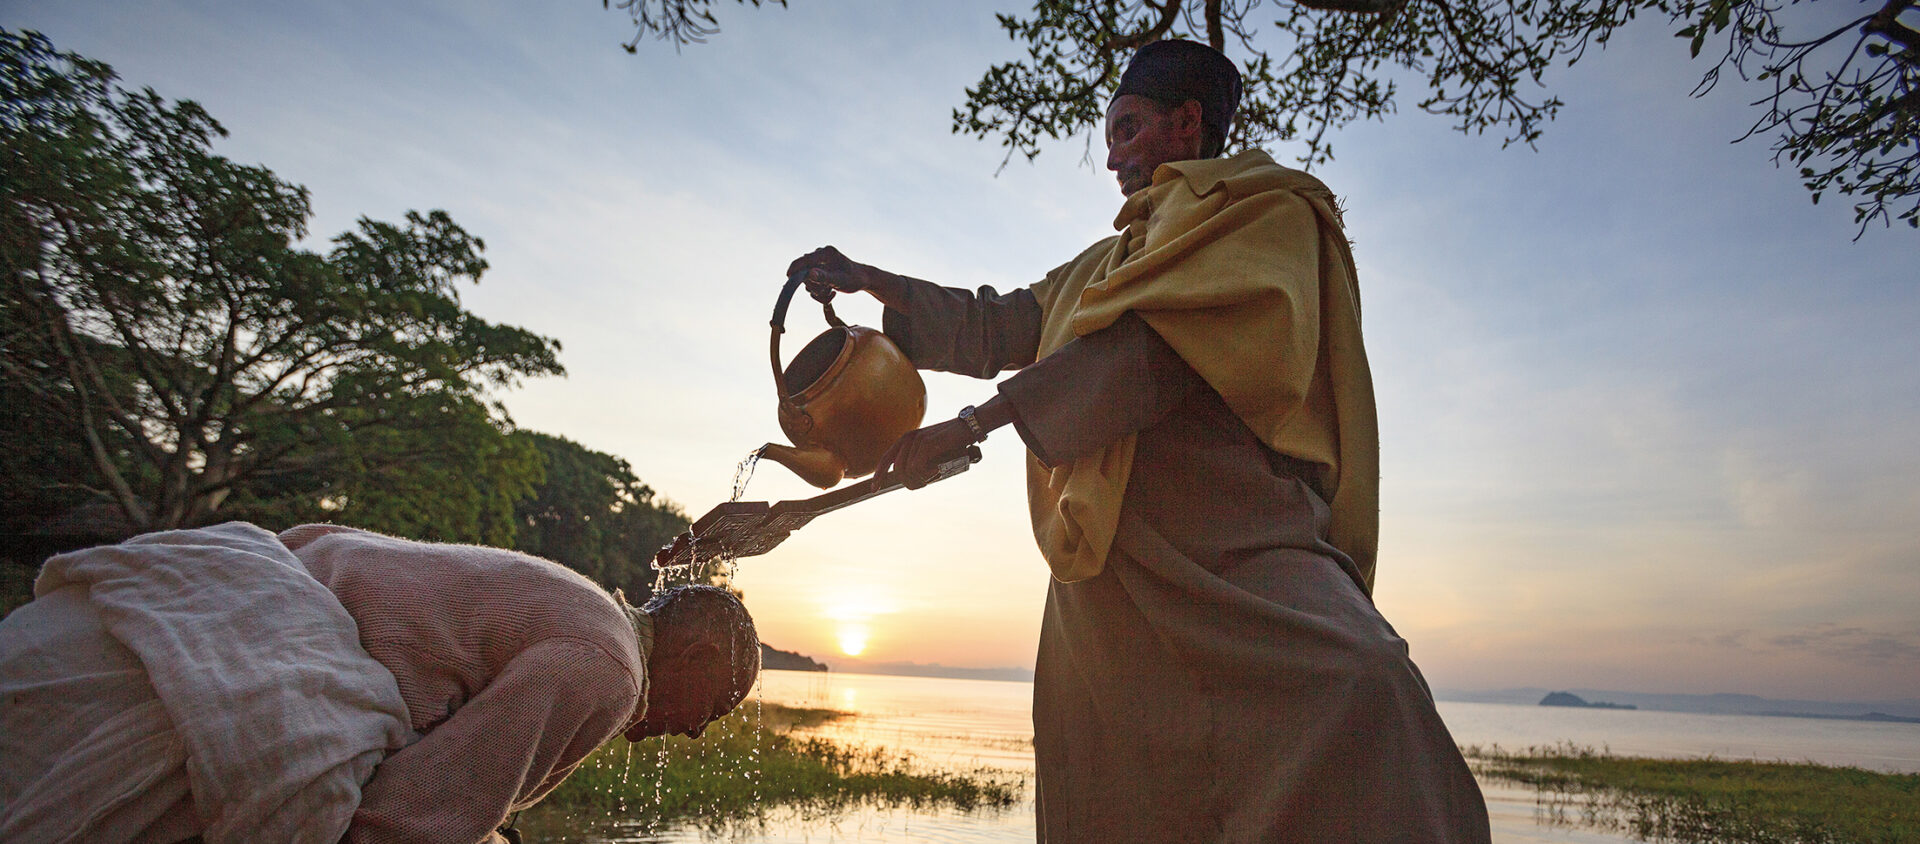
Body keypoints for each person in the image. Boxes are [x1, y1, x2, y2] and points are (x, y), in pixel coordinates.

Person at [788, 38, 1490, 843]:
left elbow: (1158, 353)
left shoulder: (1269, 214)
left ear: (1187, 123)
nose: (1112, 156)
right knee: (1102, 785)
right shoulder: (1105, 262)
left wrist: (974, 423)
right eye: (1109, 135)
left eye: (1126, 130)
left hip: (1238, 545)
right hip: (1109, 571)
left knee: (1369, 687)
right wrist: (871, 279)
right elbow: (1001, 324)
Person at [0, 521, 760, 844]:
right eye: (715, 707)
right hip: (192, 698)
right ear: (692, 661)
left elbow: (328, 545)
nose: (695, 730)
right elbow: (401, 826)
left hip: (150, 622)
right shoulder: (610, 670)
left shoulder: (578, 597)